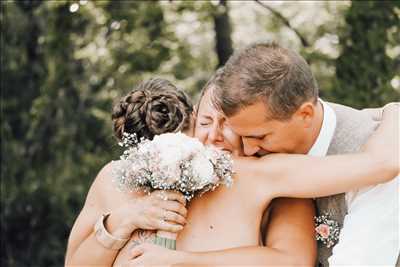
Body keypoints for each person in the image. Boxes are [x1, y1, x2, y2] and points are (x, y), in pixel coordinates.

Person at [65, 77, 398, 266]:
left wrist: (391, 112)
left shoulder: (266, 176)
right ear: (193, 119)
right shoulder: (117, 177)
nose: (213, 136)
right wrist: (122, 220)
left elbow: (379, 165)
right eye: (207, 122)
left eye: (229, 126)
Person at [211, 41, 400, 266]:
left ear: (306, 114)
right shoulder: (250, 160)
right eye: (241, 135)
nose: (248, 149)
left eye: (260, 137)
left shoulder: (378, 150)